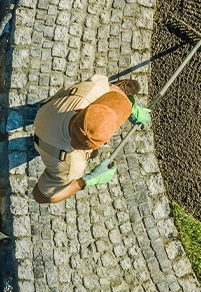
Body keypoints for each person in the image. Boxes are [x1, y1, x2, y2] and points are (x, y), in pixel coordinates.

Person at [31, 74, 150, 203]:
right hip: (46, 145)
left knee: (103, 90)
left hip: (47, 112)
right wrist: (86, 181)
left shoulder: (92, 90)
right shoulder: (73, 167)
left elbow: (104, 90)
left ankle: (118, 95)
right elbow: (40, 196)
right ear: (106, 142)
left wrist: (127, 107)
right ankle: (91, 151)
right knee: (93, 154)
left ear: (78, 110)